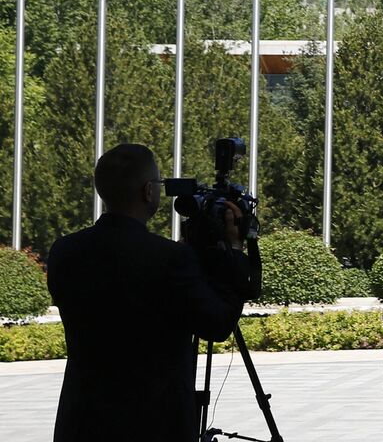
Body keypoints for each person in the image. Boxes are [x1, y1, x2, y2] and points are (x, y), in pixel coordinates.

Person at [46, 143, 251, 442]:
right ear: (147, 192)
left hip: (81, 422)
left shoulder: (63, 251)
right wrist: (234, 251)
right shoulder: (170, 259)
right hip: (155, 424)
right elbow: (218, 324)